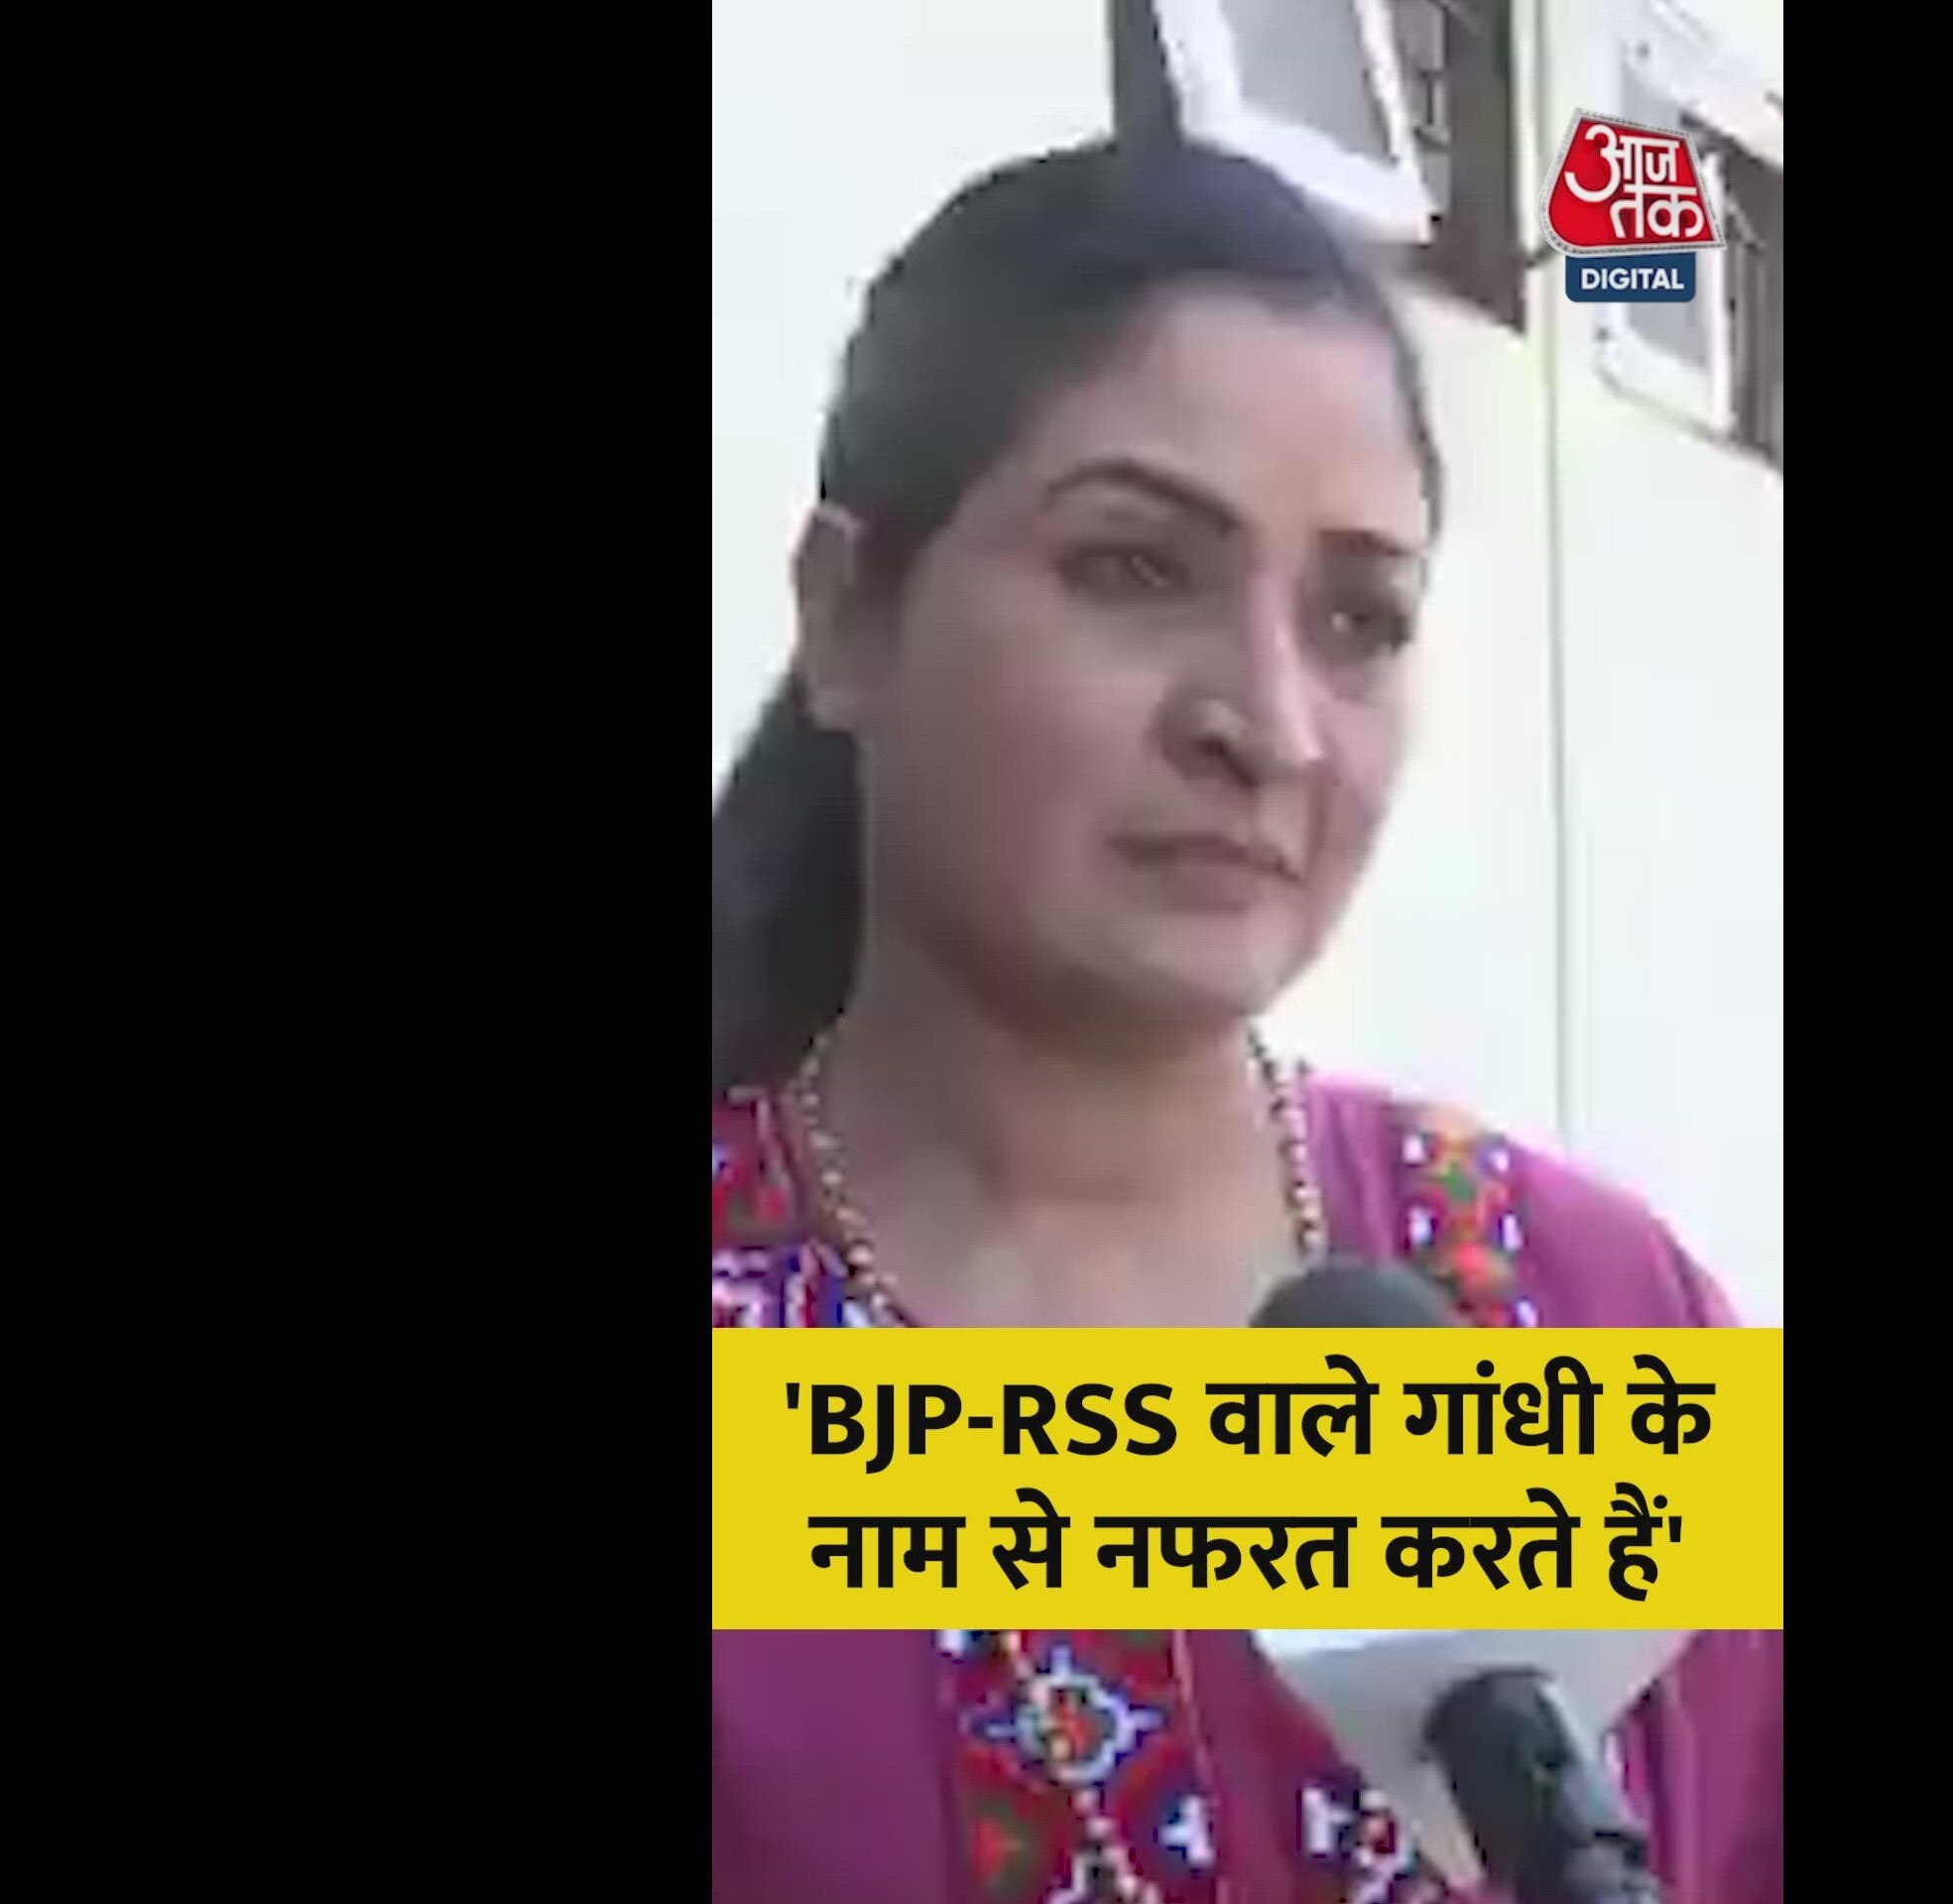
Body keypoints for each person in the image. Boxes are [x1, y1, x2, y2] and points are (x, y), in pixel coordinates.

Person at [711, 138, 1781, 1904]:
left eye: (1359, 618)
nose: (1267, 724)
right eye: (1133, 569)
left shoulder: (1589, 1316)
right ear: (848, 618)